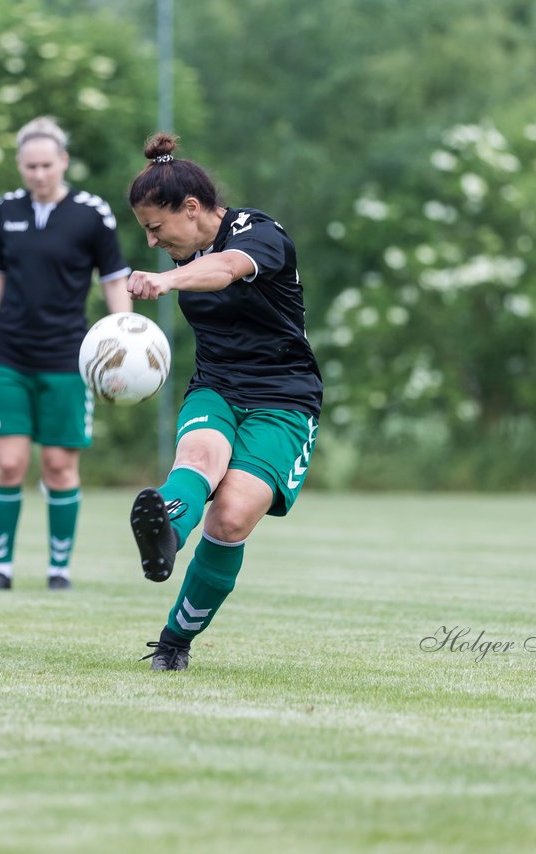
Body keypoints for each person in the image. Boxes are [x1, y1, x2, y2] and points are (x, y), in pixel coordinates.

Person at [124, 133, 323, 671]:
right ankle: (166, 527)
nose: (151, 242)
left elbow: (226, 269)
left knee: (232, 518)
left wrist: (166, 281)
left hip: (285, 397)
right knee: (199, 459)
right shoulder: (184, 252)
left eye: (155, 228)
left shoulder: (258, 233)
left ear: (192, 209)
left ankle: (174, 640)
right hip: (217, 384)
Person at [0, 116, 132, 591]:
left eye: (46, 165)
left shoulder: (91, 213)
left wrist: (122, 335)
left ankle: (59, 570)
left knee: (58, 464)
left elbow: (114, 278)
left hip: (66, 357)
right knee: (9, 464)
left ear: (64, 162)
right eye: (29, 166)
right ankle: (0, 568)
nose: (38, 174)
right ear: (20, 165)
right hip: (7, 357)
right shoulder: (6, 210)